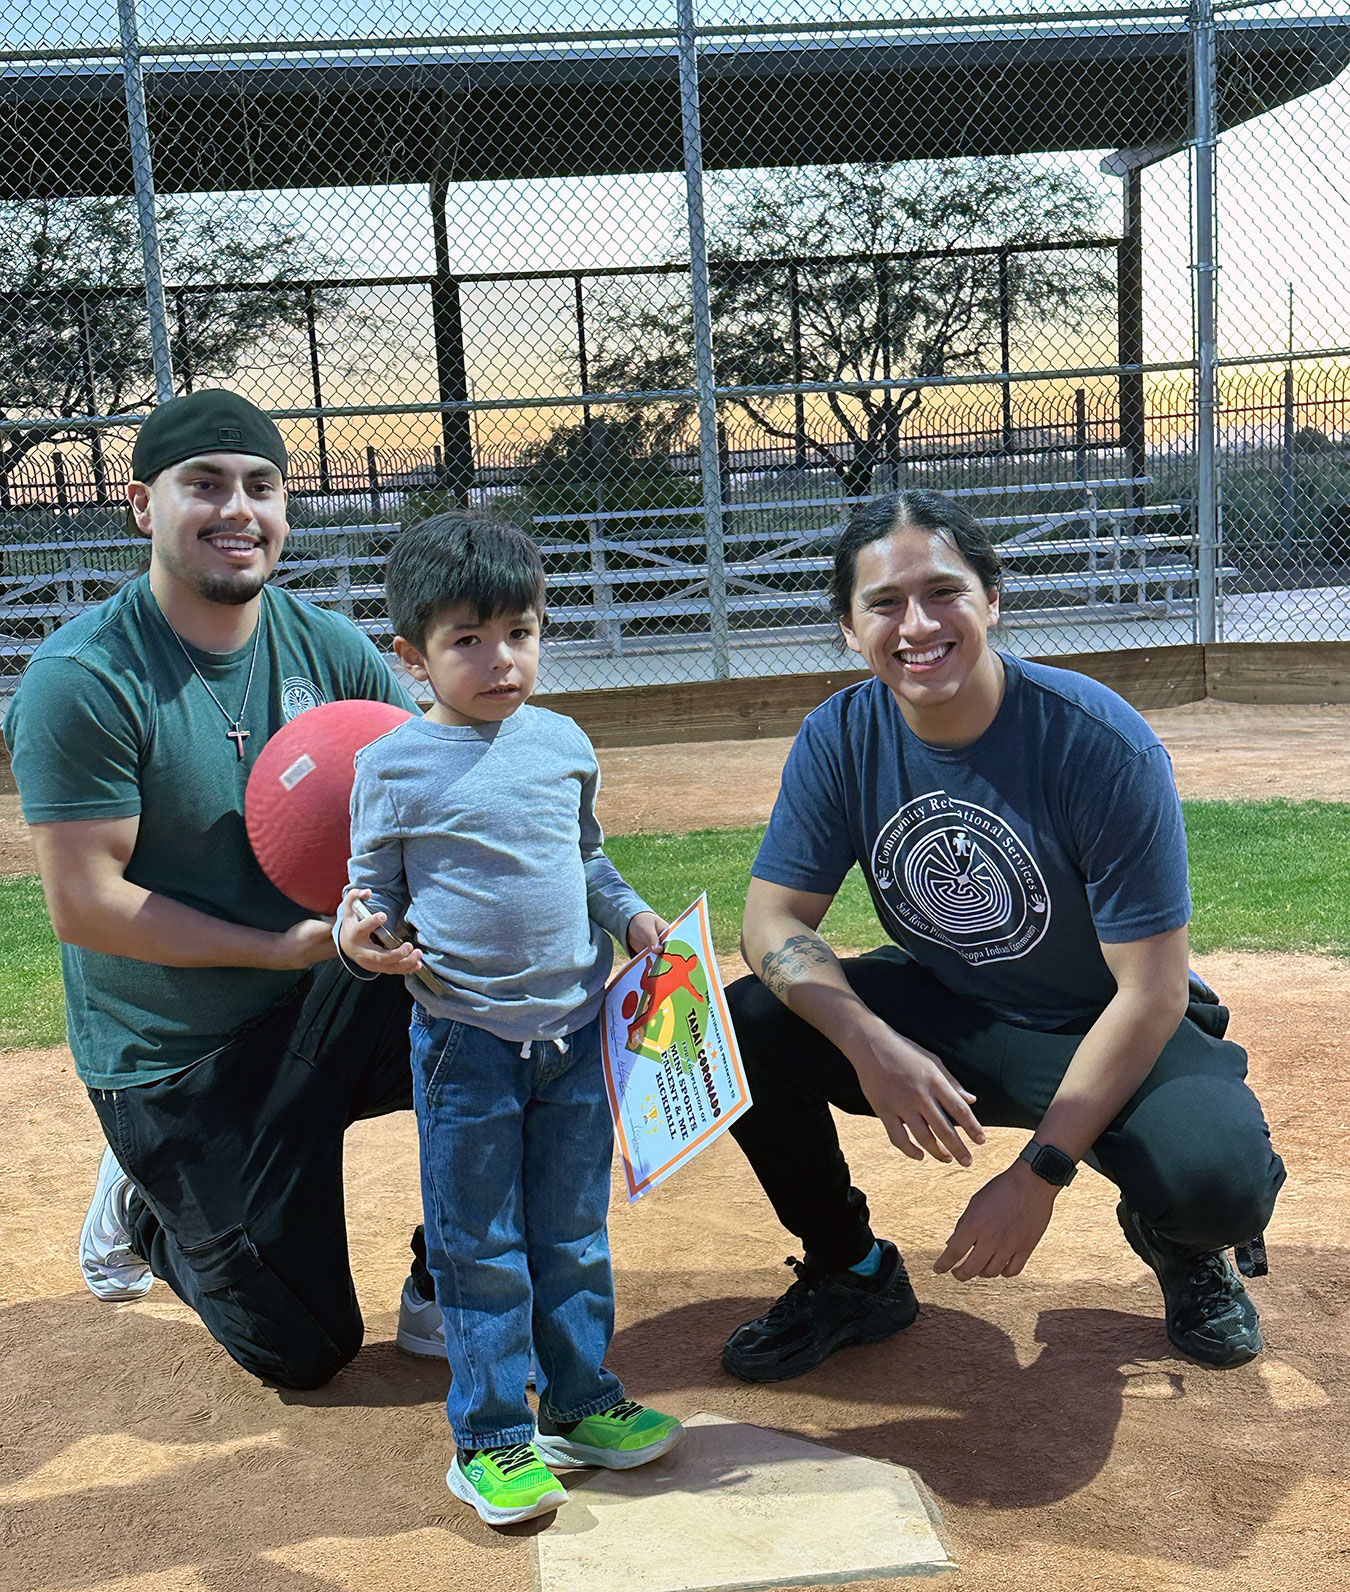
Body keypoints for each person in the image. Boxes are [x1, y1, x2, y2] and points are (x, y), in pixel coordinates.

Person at [721, 490, 1283, 1384]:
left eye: (944, 592)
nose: (916, 625)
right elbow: (771, 921)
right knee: (747, 1021)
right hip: (954, 1011)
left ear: (992, 600)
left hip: (1101, 1022)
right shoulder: (840, 735)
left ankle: (1181, 1245)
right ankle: (853, 1273)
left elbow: (1151, 989)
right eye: (884, 604)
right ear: (846, 627)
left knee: (1215, 1180)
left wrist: (1038, 1174)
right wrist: (869, 1044)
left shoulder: (1097, 742)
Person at [4, 388, 443, 1389]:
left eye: (262, 487)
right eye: (203, 485)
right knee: (305, 1351)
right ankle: (148, 1202)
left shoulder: (325, 646)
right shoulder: (85, 679)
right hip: (179, 1059)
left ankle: (449, 1270)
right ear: (140, 503)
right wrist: (283, 946)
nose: (237, 509)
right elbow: (86, 904)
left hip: (317, 996)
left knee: (524, 996)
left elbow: (433, 791)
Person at [336, 511, 684, 1525]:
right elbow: (370, 893)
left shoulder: (564, 743)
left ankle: (579, 1402)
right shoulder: (393, 768)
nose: (503, 660)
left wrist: (629, 915)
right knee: (477, 1246)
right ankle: (490, 1438)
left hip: (573, 1037)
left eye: (521, 633)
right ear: (412, 657)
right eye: (468, 640)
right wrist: (363, 938)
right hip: (466, 1045)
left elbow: (585, 860)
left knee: (573, 1231)